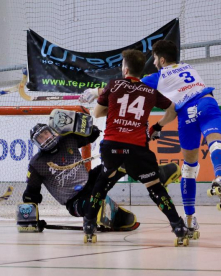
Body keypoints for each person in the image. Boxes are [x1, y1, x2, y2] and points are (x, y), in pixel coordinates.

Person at [79, 49, 187, 245]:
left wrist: (114, 111)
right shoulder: (151, 92)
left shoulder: (113, 85)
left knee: (102, 182)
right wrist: (158, 126)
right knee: (155, 188)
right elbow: (173, 109)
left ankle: (88, 224)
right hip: (137, 148)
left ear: (125, 68)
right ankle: (178, 225)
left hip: (112, 145)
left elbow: (97, 112)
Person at [21, 118, 181, 233]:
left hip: (91, 182)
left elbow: (92, 136)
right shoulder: (37, 163)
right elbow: (31, 195)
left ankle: (157, 174)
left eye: (46, 134)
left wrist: (85, 125)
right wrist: (29, 220)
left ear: (52, 132)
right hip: (74, 200)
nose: (45, 139)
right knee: (97, 208)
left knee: (120, 160)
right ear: (36, 144)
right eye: (40, 138)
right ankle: (105, 213)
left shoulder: (67, 139)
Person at [140, 40, 221, 238]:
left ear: (162, 59)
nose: (154, 62)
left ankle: (190, 220)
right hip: (206, 101)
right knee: (216, 143)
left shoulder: (157, 76)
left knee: (189, 166)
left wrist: (96, 92)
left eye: (155, 58)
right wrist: (159, 126)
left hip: (186, 114)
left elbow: (125, 87)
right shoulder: (189, 68)